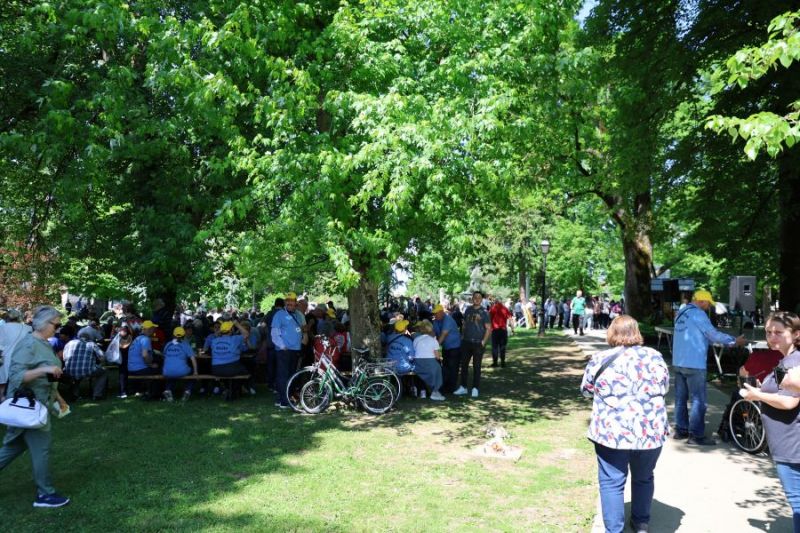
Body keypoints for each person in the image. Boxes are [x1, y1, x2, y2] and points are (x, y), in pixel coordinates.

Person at [581, 315, 669, 533]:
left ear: (612, 332)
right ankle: (641, 523)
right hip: (649, 432)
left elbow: (586, 390)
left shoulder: (600, 359)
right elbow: (665, 387)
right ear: (636, 332)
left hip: (612, 433)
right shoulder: (655, 357)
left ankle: (614, 529)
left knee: (612, 482)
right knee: (644, 477)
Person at [0, 306, 71, 508]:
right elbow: (16, 376)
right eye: (56, 325)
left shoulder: (43, 343)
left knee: (13, 447)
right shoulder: (28, 344)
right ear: (43, 324)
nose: (58, 328)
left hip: (38, 404)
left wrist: (58, 398)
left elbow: (49, 377)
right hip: (30, 407)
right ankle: (45, 494)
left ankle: (45, 493)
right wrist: (44, 369)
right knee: (42, 449)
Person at [740, 312, 800, 531]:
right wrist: (761, 391)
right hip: (786, 443)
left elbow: (789, 402)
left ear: (796, 334)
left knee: (797, 502)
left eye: (778, 332)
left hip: (791, 444)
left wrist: (757, 396)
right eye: (768, 332)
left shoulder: (795, 361)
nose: (772, 337)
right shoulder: (785, 360)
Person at [672, 289, 746, 445]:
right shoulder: (698, 314)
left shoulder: (681, 313)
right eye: (708, 304)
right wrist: (734, 341)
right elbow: (712, 334)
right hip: (694, 363)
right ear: (702, 301)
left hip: (678, 361)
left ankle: (681, 430)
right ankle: (696, 435)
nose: (708, 307)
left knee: (680, 399)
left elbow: (699, 335)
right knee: (698, 400)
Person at [271, 292, 305, 409]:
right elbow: (274, 333)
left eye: (292, 301)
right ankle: (284, 401)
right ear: (285, 302)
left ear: (296, 302)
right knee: (283, 375)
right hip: (284, 350)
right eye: (288, 301)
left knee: (291, 375)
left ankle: (284, 398)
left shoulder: (298, 314)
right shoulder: (279, 314)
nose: (290, 303)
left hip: (295, 349)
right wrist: (282, 346)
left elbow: (301, 329)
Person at [454, 291, 491, 398]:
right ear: (472, 298)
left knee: (477, 366)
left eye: (479, 297)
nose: (477, 299)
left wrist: (483, 342)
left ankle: (475, 388)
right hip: (466, 342)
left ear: (481, 299)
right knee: (464, 365)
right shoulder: (468, 309)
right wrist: (462, 336)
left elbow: (488, 328)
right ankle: (463, 387)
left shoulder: (484, 312)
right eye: (475, 297)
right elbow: (465, 324)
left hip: (478, 343)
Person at [62, 332, 108, 400]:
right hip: (87, 370)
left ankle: (75, 394)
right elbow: (102, 356)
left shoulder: (69, 343)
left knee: (75, 374)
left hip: (69, 371)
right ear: (90, 339)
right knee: (103, 372)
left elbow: (64, 357)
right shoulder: (91, 344)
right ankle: (97, 395)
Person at [0, 309, 32, 402]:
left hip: (5, 359)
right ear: (19, 317)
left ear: (7, 317)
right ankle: (17, 403)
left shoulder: (2, 328)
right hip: (22, 359)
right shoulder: (28, 328)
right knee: (20, 383)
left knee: (3, 385)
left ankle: (3, 404)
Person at [162, 326, 199, 402]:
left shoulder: (168, 344)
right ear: (183, 335)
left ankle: (168, 390)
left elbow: (164, 357)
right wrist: (196, 372)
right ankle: (187, 390)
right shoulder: (185, 344)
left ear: (173, 335)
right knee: (191, 372)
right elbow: (193, 359)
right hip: (181, 371)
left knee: (171, 372)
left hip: (166, 371)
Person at [411, 320, 445, 401]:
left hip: (418, 364)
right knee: (438, 368)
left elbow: (415, 352)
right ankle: (435, 391)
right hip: (430, 364)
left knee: (423, 373)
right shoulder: (433, 340)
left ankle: (423, 391)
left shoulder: (416, 339)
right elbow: (437, 356)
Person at [432, 304, 462, 392]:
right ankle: (446, 386)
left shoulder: (448, 319)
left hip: (455, 347)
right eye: (434, 313)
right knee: (446, 367)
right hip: (446, 347)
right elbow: (433, 334)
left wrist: (435, 347)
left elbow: (444, 334)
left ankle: (451, 388)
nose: (434, 315)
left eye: (436, 313)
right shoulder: (436, 321)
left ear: (441, 312)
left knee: (453, 367)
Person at [488, 299, 512, 367]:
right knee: (502, 347)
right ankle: (502, 362)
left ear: (495, 302)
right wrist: (512, 329)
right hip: (503, 330)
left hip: (495, 330)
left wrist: (489, 328)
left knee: (494, 347)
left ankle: (495, 362)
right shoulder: (505, 308)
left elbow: (489, 318)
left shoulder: (492, 308)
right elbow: (510, 318)